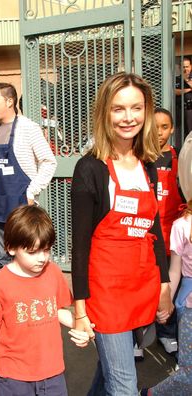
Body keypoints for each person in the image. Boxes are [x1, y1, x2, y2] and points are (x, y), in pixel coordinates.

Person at [71, 72, 173, 395]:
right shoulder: (91, 169)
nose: (129, 118)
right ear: (105, 113)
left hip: (140, 286)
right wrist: (80, 309)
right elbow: (80, 247)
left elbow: (153, 228)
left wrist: (164, 283)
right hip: (107, 295)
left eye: (136, 108)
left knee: (110, 371)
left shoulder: (149, 164)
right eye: (118, 109)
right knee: (125, 385)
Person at [0, 205, 91, 396]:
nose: (42, 258)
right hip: (14, 376)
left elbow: (57, 310)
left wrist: (80, 325)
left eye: (46, 250)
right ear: (10, 248)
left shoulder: (53, 272)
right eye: (33, 252)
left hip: (53, 372)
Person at [0, 82, 57, 270]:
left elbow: (49, 161)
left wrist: (32, 192)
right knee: (3, 259)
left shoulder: (28, 128)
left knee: (27, 256)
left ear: (10, 101)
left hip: (21, 205)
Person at [140, 199, 192, 396]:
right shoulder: (182, 225)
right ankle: (152, 393)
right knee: (189, 373)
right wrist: (165, 300)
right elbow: (175, 270)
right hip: (189, 306)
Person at [153, 108, 184, 356]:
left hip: (172, 235)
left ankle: (166, 332)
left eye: (165, 127)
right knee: (144, 286)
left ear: (172, 129)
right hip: (147, 235)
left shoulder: (178, 159)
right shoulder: (141, 158)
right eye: (155, 127)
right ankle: (137, 338)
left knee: (170, 287)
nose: (160, 132)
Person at [175, 57, 192, 145]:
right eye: (183, 67)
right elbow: (175, 92)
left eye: (187, 67)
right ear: (180, 67)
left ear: (191, 67)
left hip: (190, 110)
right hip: (179, 110)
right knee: (179, 134)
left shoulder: (190, 79)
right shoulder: (176, 79)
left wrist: (187, 80)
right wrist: (188, 90)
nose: (185, 69)